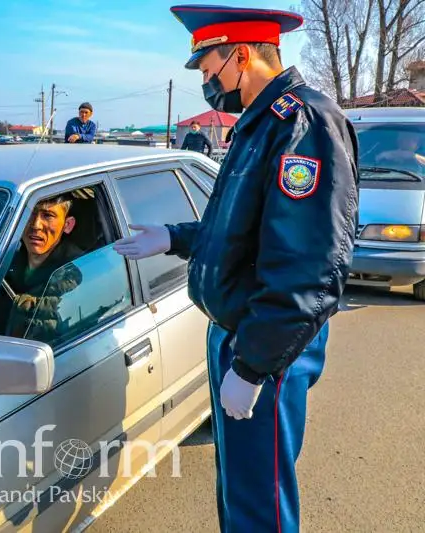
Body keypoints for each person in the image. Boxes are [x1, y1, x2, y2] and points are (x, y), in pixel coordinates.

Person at [114, 5, 359, 532]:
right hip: (239, 335)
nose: (208, 84)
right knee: (240, 491)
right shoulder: (261, 122)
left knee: (258, 506)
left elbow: (308, 268)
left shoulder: (302, 122)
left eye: (209, 70)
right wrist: (176, 237)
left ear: (241, 55)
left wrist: (251, 367)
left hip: (262, 345)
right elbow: (243, 228)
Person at [0, 195, 83, 343]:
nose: (35, 225)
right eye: (28, 213)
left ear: (67, 225)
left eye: (48, 215)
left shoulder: (75, 273)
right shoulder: (1, 260)